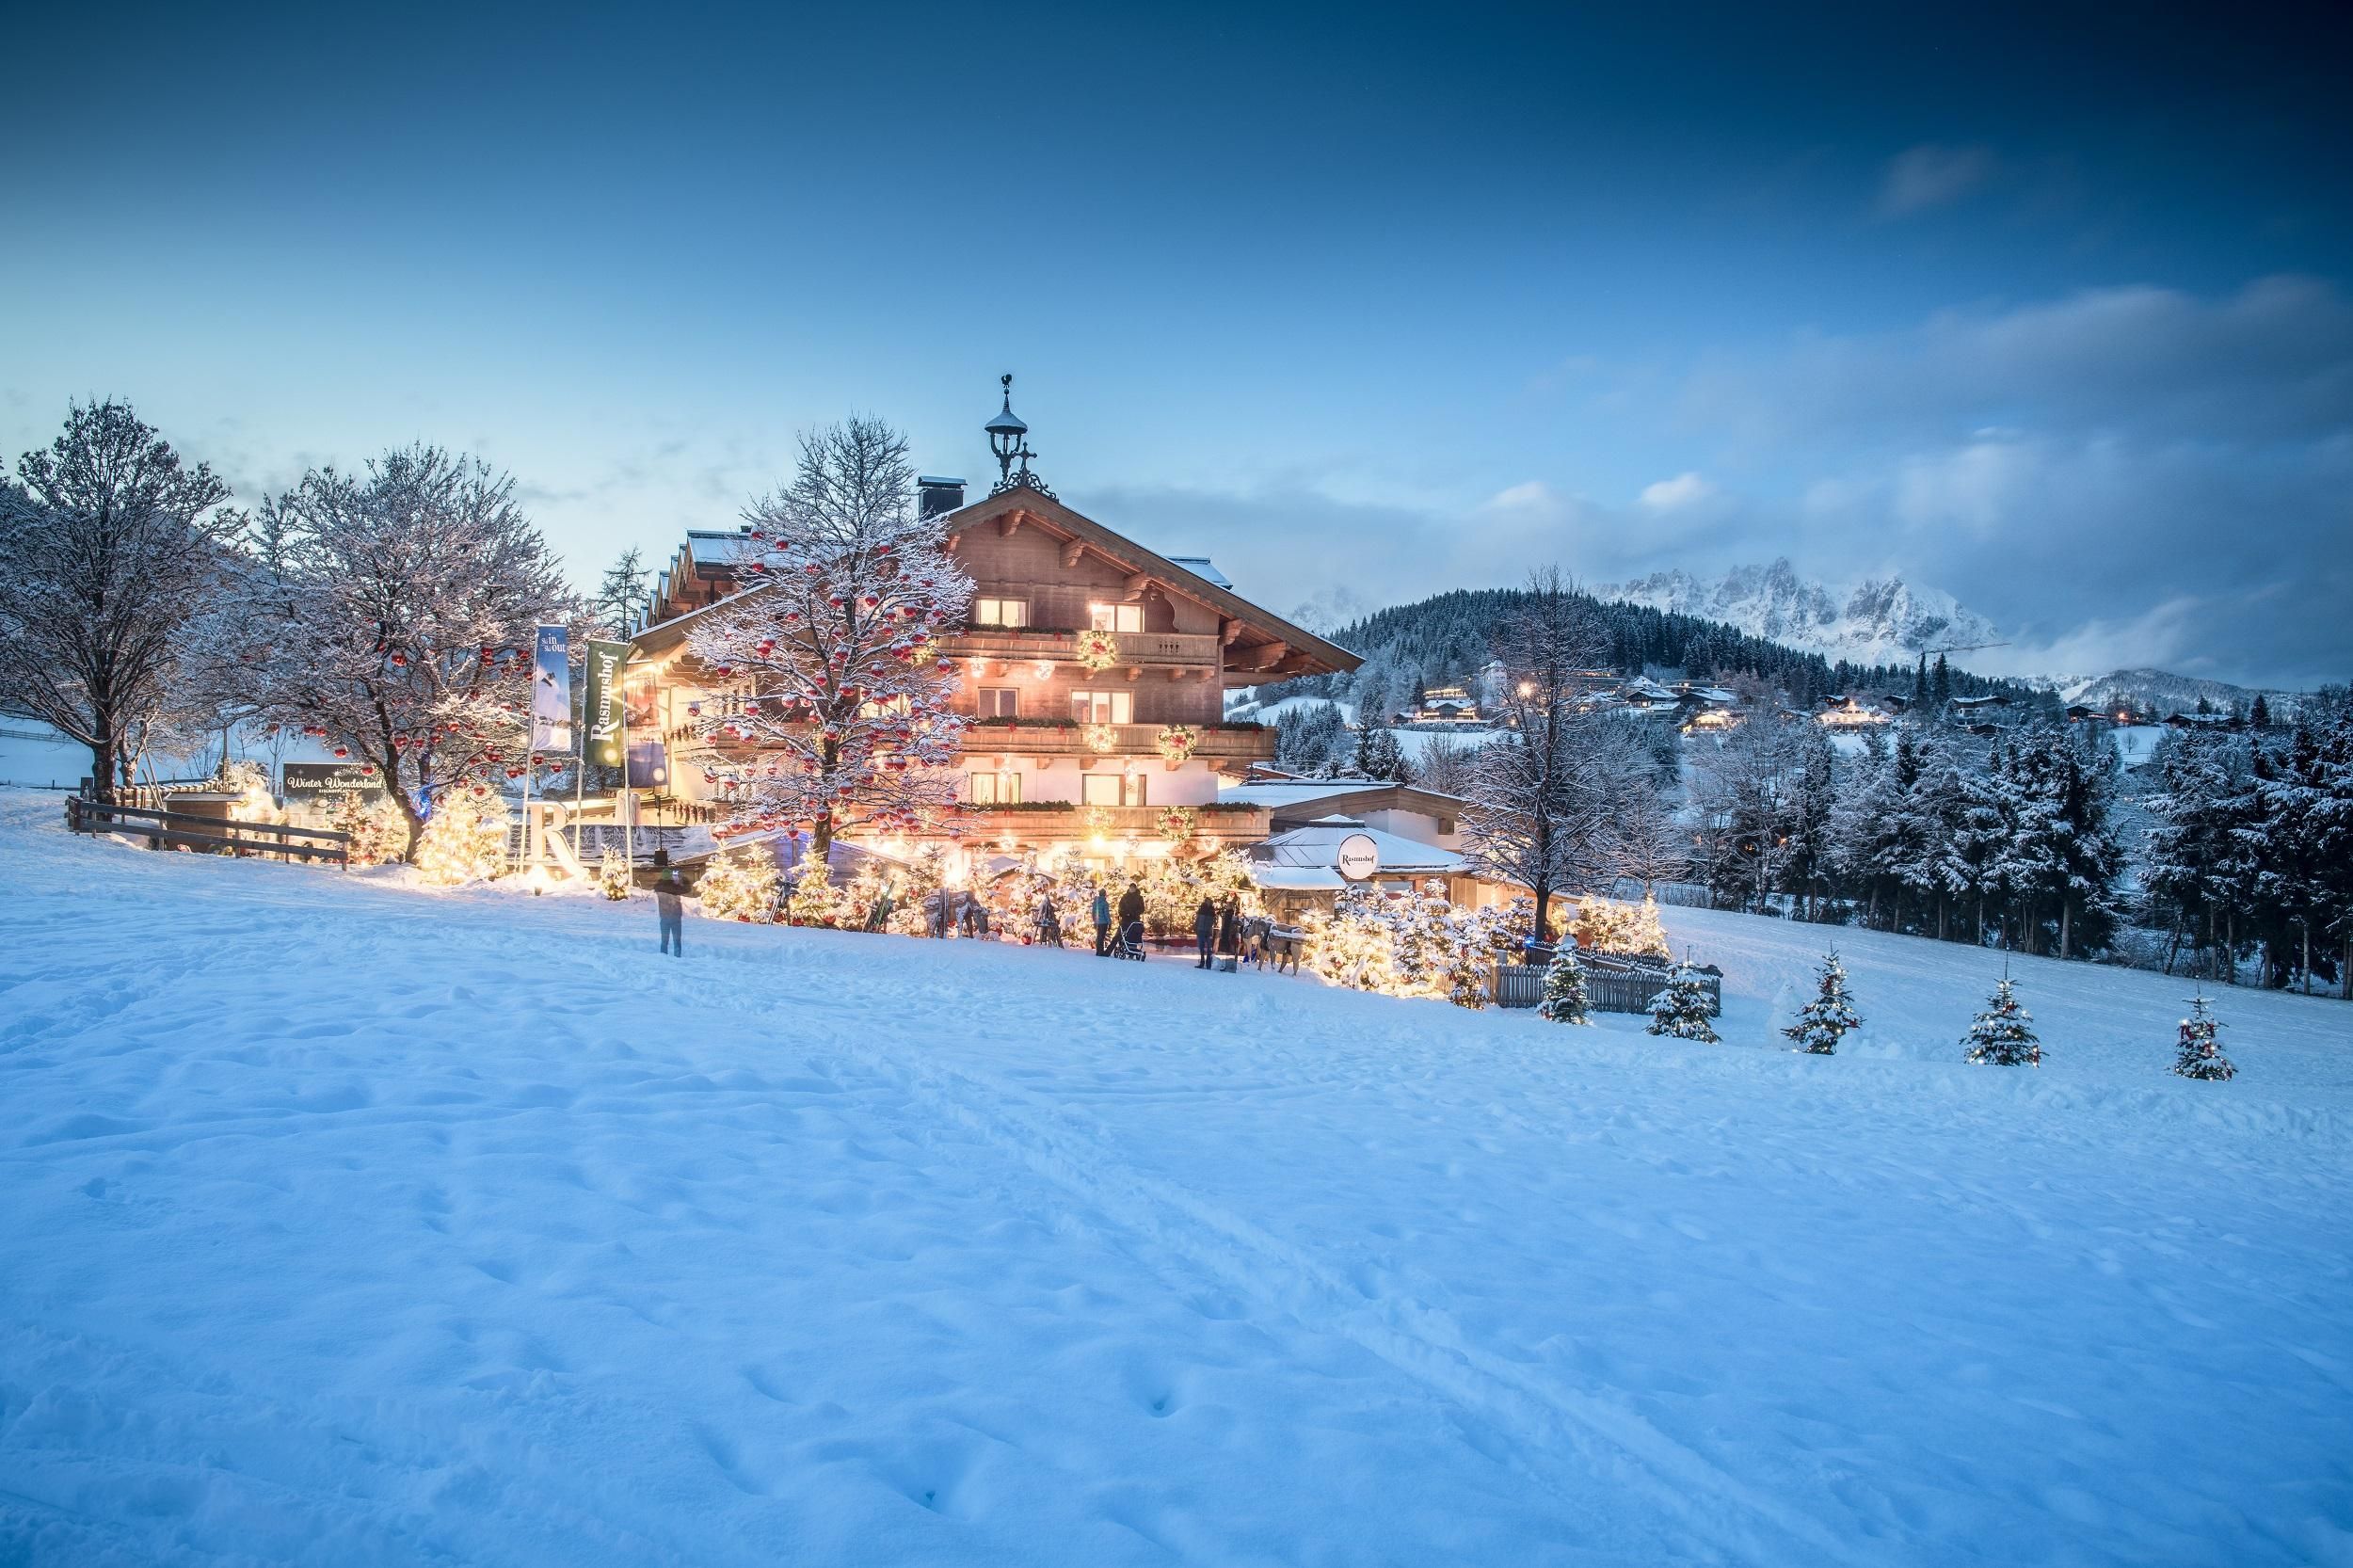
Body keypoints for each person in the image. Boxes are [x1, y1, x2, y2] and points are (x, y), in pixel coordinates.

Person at [654, 867, 686, 956]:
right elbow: (683, 889)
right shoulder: (675, 886)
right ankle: (677, 958)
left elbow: (656, 887)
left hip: (664, 916)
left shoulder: (658, 887)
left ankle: (664, 958)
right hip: (675, 917)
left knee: (664, 941)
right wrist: (679, 881)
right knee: (677, 941)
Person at [1116, 880, 1144, 952]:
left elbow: (1142, 908)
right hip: (1125, 918)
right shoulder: (1125, 897)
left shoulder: (1139, 898)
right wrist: (1123, 913)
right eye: (1131, 888)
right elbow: (1120, 906)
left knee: (1133, 934)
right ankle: (1122, 946)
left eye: (1133, 888)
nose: (1132, 889)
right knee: (1123, 932)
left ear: (1135, 889)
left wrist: (1135, 913)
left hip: (1135, 918)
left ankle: (1133, 948)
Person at [1216, 895, 1242, 972]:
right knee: (1228, 941)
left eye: (1227, 905)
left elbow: (1231, 923)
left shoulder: (1231, 914)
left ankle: (1229, 955)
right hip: (1227, 931)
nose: (1226, 906)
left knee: (1229, 942)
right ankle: (1228, 953)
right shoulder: (1228, 913)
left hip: (1229, 931)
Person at [1193, 896, 1218, 969]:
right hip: (1201, 930)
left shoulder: (1211, 911)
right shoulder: (1202, 909)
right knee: (1202, 947)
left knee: (1209, 948)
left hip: (1207, 931)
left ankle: (1208, 962)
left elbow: (1213, 921)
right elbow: (1198, 920)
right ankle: (1203, 962)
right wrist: (1196, 928)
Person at [1091, 886, 1112, 955]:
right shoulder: (1105, 903)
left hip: (1097, 922)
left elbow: (1093, 912)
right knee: (1102, 937)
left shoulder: (1095, 902)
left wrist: (1094, 920)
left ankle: (1098, 951)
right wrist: (1109, 922)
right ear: (1105, 894)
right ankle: (1101, 951)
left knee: (1098, 936)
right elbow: (1106, 914)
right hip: (1103, 923)